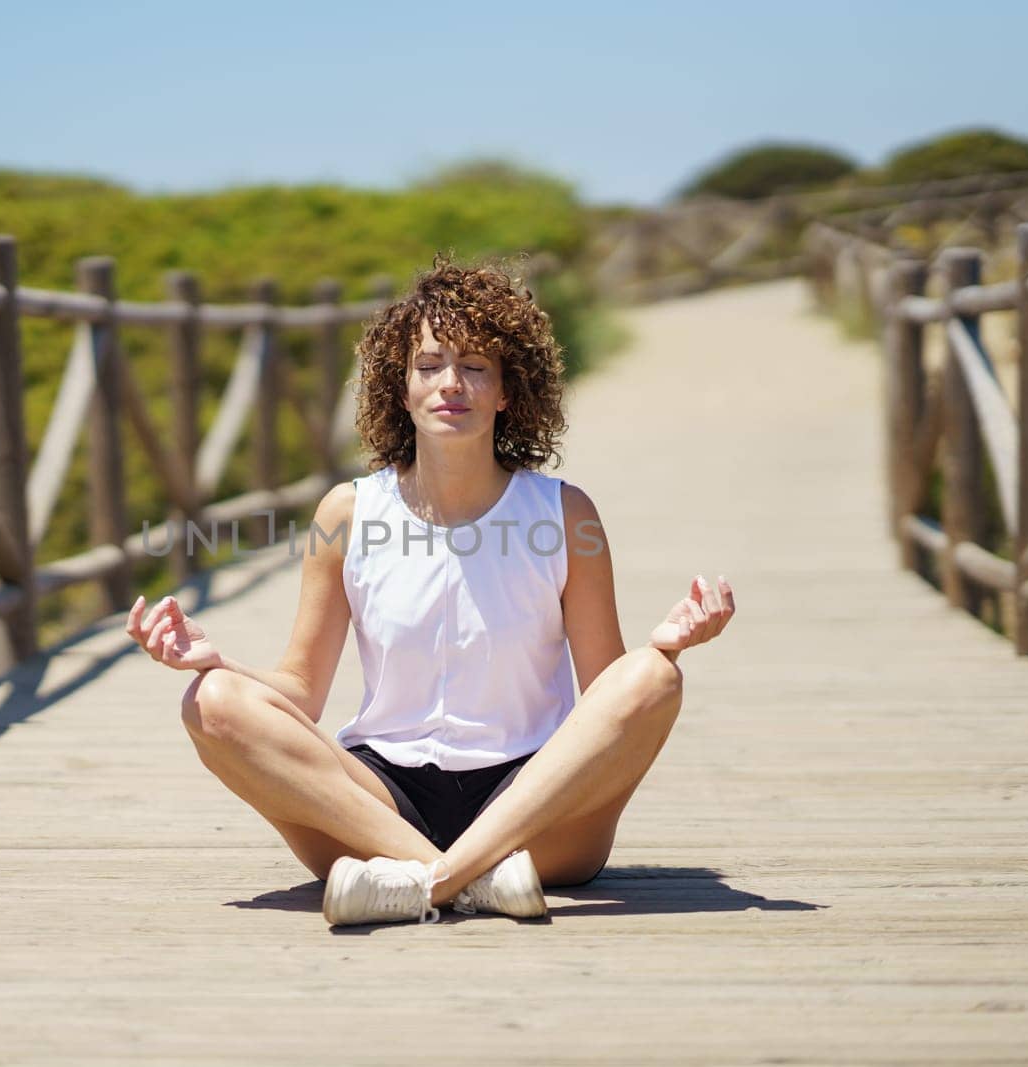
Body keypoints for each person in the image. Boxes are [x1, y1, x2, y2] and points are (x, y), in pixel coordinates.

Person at [125, 254, 734, 926]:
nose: (452, 384)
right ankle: (472, 880)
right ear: (402, 386)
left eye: (476, 367)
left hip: (533, 802)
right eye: (431, 365)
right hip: (376, 801)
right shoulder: (347, 513)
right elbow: (299, 690)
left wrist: (666, 644)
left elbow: (607, 695)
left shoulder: (565, 514)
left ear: (508, 391)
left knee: (654, 677)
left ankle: (425, 882)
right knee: (211, 702)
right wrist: (212, 659)